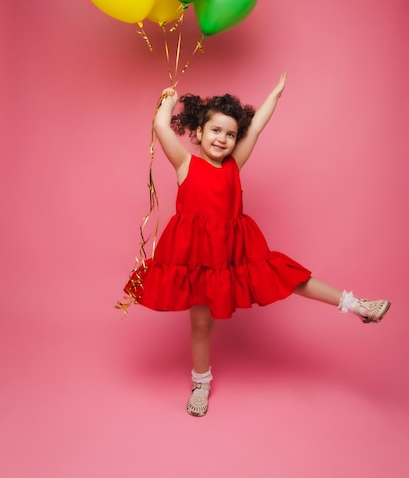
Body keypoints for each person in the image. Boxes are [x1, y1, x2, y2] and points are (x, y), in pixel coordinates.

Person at [121, 73, 391, 417]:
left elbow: (258, 126)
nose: (223, 139)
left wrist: (275, 94)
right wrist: (168, 101)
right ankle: (200, 382)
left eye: (231, 134)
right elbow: (161, 127)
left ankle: (357, 305)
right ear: (199, 132)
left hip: (235, 247)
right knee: (201, 323)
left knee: (288, 275)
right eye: (216, 130)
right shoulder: (186, 164)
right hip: (196, 254)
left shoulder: (234, 166)